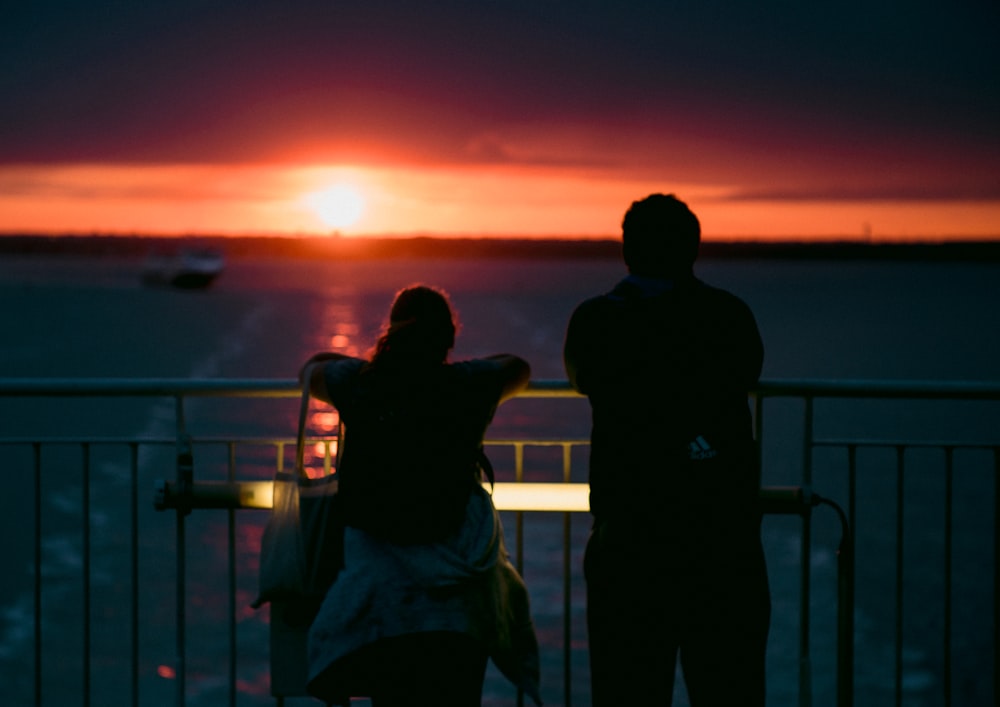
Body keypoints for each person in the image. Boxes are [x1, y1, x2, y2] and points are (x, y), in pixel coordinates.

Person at [563, 194, 771, 706]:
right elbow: (746, 373)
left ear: (627, 250)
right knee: (729, 687)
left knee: (628, 689)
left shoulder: (596, 321)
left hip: (629, 538)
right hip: (722, 539)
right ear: (693, 249)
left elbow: (582, 376)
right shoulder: (727, 315)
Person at [302, 284, 542, 707]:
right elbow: (517, 367)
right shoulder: (469, 384)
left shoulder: (360, 384)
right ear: (448, 338)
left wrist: (376, 364)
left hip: (383, 599)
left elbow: (312, 369)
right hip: (458, 605)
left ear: (391, 334)